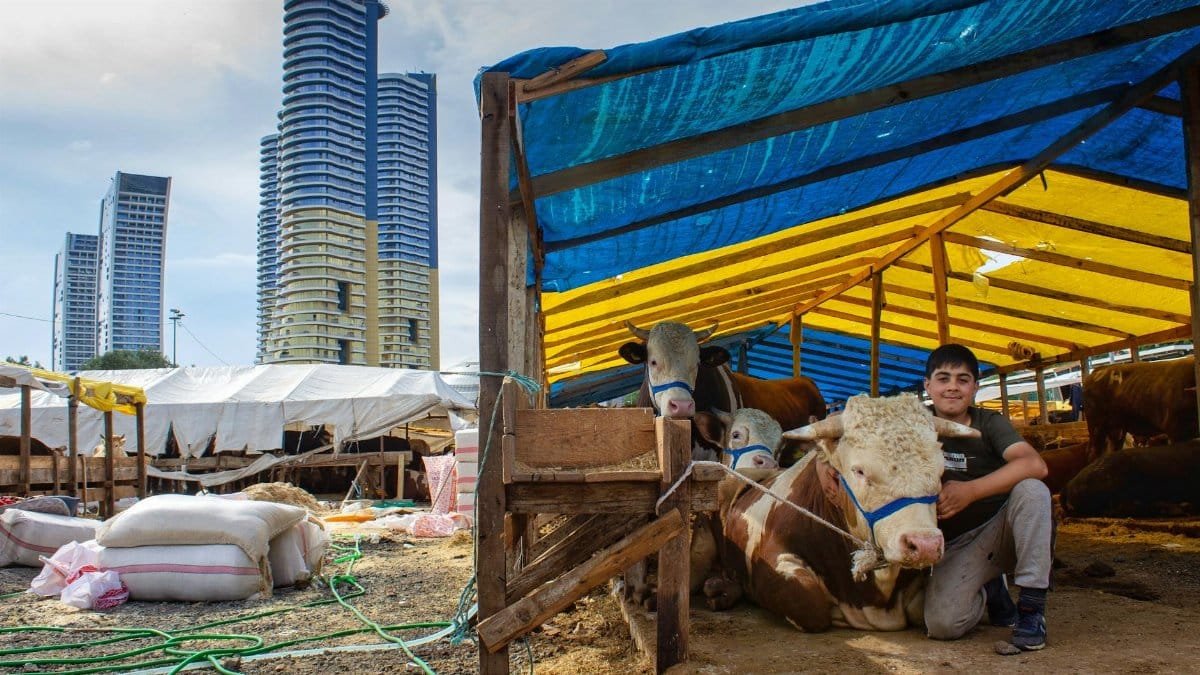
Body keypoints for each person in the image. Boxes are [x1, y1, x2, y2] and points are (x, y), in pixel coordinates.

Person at [922, 344, 1052, 651]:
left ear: (975, 388)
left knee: (1033, 490)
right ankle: (989, 586)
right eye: (943, 378)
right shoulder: (912, 423)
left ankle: (1032, 609)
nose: (952, 386)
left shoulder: (989, 424)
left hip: (1000, 529)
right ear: (927, 385)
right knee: (942, 626)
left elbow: (1035, 464)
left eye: (962, 379)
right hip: (953, 542)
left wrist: (971, 491)